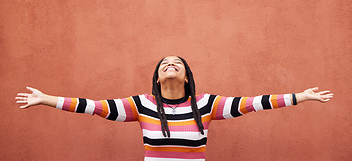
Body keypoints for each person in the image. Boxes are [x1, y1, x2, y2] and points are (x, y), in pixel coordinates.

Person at [15, 56, 334, 161]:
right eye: (164, 63)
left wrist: (301, 96)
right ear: (157, 76)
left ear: (186, 76)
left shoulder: (206, 104)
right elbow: (96, 107)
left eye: (177, 63)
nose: (170, 64)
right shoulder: (141, 105)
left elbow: (254, 103)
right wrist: (47, 99)